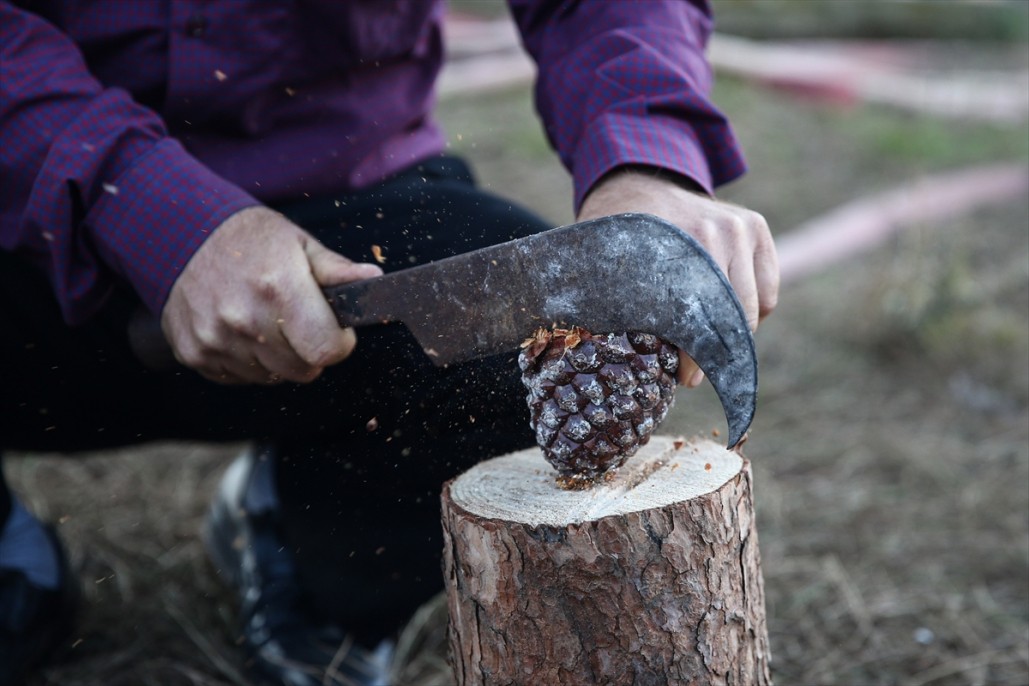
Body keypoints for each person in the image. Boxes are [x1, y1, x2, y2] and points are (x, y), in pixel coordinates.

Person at [0, 1, 779, 684]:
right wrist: (153, 209)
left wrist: (646, 161)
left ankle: (315, 555)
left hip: (346, 216)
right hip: (21, 226)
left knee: (504, 348)